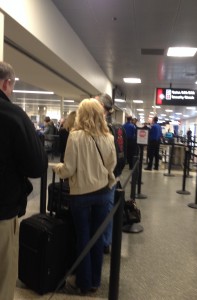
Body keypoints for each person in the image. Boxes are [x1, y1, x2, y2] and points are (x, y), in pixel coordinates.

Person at [53, 98, 116, 295]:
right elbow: (111, 165)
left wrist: (57, 169)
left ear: (81, 114)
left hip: (80, 195)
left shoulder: (75, 136)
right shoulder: (108, 137)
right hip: (103, 193)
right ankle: (95, 282)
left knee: (83, 237)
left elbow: (69, 168)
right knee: (97, 238)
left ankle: (84, 282)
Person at [0, 61, 48, 300]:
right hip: (2, 211)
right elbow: (37, 165)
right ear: (7, 83)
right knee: (3, 278)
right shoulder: (12, 115)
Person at [95, 93, 126, 254]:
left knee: (105, 209)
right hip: (116, 171)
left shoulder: (102, 127)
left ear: (102, 107)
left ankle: (104, 242)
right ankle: (106, 240)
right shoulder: (118, 126)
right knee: (109, 207)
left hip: (106, 175)